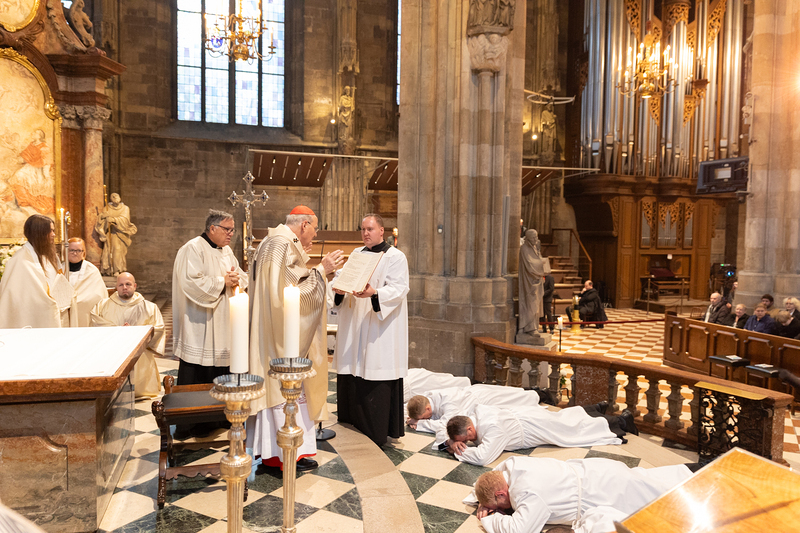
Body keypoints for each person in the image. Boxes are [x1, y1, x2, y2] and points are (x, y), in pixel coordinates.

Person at [248, 206, 344, 471]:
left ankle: (286, 453)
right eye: (314, 229)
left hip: (273, 333)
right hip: (279, 336)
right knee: (283, 391)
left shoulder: (274, 242)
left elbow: (286, 284)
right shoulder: (280, 245)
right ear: (303, 225)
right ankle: (282, 456)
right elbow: (288, 296)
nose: (314, 235)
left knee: (285, 392)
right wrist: (322, 271)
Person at [333, 213, 410, 446]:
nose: (366, 233)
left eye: (370, 229)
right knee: (354, 368)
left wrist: (375, 293)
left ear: (381, 231)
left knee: (375, 369)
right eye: (363, 229)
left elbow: (399, 288)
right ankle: (353, 419)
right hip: (357, 321)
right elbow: (343, 277)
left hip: (380, 327)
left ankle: (376, 428)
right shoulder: (357, 254)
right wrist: (338, 288)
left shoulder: (395, 256)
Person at [469, 456, 693, 533]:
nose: (503, 509)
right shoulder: (513, 466)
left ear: (501, 493)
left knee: (665, 497)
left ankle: (709, 472)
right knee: (651, 481)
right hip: (597, 471)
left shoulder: (527, 492)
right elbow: (488, 480)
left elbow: (518, 530)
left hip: (603, 490)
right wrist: (482, 499)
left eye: (500, 505)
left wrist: (491, 517)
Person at [172, 210, 247, 386]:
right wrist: (223, 282)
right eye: (227, 229)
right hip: (200, 322)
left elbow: (240, 274)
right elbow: (191, 282)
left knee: (222, 372)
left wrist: (237, 279)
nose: (231, 234)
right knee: (198, 375)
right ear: (212, 228)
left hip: (223, 323)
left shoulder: (226, 250)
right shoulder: (192, 248)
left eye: (232, 230)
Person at [443, 403, 635, 466]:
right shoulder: (476, 414)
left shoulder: (492, 428)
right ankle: (595, 408)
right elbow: (453, 430)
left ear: (469, 429)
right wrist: (451, 441)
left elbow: (484, 457)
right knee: (565, 418)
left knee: (573, 431)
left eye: (466, 440)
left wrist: (456, 451)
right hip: (527, 415)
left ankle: (621, 421)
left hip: (533, 427)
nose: (468, 443)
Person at [91, 272, 165, 399]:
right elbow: (95, 323)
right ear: (116, 287)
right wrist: (119, 330)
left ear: (135, 286)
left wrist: (135, 332)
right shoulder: (102, 306)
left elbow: (158, 328)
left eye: (128, 284)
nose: (124, 287)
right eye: (121, 284)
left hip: (140, 356)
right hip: (112, 352)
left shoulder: (150, 307)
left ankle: (141, 390)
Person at [0, 214, 75, 328]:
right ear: (39, 233)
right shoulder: (20, 261)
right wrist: (51, 304)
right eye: (50, 231)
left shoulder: (49, 256)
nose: (54, 235)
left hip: (56, 311)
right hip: (31, 319)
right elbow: (18, 298)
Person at [406, 384, 543, 447]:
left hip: (483, 399)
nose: (427, 419)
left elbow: (444, 423)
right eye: (424, 419)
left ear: (428, 407)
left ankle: (541, 395)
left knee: (515, 400)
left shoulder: (449, 403)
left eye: (425, 417)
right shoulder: (428, 398)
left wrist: (421, 424)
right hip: (475, 397)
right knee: (512, 397)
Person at [67, 237, 108, 327]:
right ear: (66, 251)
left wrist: (77, 302)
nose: (75, 253)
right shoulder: (60, 269)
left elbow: (98, 295)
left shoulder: (91, 271)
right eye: (71, 250)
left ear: (83, 252)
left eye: (78, 251)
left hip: (85, 314)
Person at [95, 193, 138, 276]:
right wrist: (103, 217)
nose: (115, 198)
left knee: (118, 251)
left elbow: (125, 220)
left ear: (120, 197)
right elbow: (101, 223)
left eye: (117, 196)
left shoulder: (125, 208)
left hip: (120, 234)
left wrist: (113, 220)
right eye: (113, 197)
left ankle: (118, 269)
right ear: (111, 199)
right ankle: (111, 270)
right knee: (111, 251)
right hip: (111, 234)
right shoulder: (107, 208)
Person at [517, 229, 547, 342]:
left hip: (536, 280)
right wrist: (541, 264)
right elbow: (530, 265)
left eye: (536, 237)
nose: (536, 239)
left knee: (536, 306)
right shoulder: (524, 248)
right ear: (528, 238)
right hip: (529, 282)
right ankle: (528, 328)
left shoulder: (534, 247)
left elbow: (537, 260)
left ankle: (533, 327)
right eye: (534, 237)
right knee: (530, 304)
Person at [404, 368, 471, 402]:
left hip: (414, 381)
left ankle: (464, 384)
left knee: (442, 383)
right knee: (440, 386)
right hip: (413, 385)